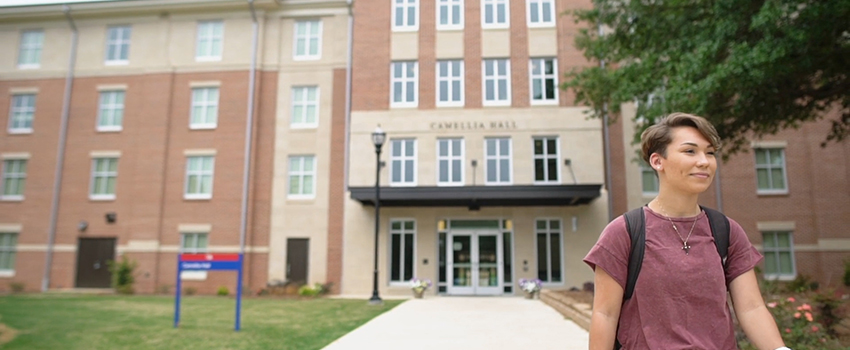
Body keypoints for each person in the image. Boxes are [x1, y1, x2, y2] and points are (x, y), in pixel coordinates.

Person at [583, 113, 789, 349]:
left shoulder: (726, 230)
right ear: (657, 161)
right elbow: (604, 315)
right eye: (690, 151)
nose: (704, 161)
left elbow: (752, 308)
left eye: (709, 152)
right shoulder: (625, 232)